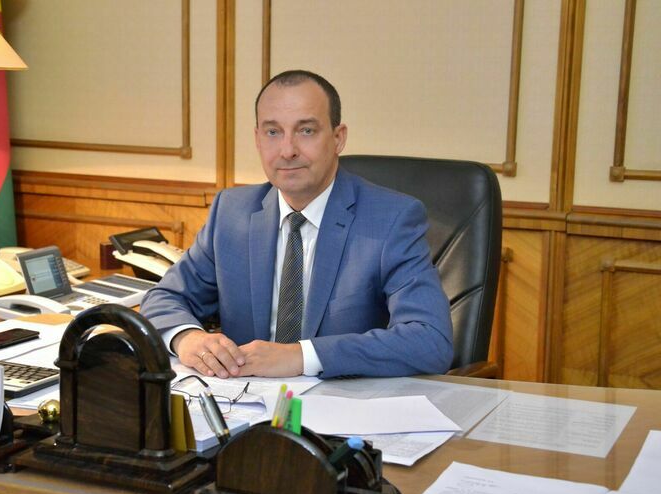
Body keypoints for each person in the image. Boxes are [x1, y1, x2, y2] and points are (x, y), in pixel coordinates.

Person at [140, 70, 452, 379]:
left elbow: (430, 340)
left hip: (341, 404)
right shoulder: (231, 213)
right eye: (273, 132)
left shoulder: (391, 220)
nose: (287, 150)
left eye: (306, 131)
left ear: (338, 138)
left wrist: (301, 357)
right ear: (257, 139)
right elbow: (164, 298)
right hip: (244, 401)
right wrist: (187, 338)